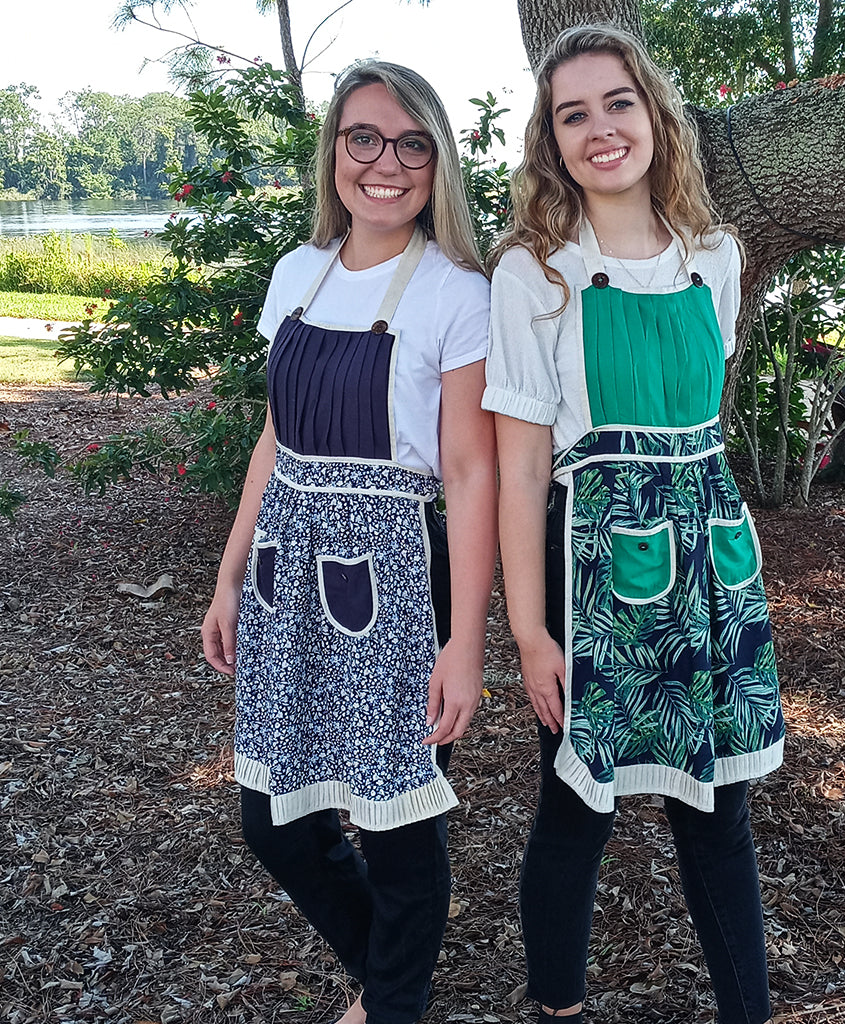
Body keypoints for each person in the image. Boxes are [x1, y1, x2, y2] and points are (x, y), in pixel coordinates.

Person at [484, 25, 784, 1024]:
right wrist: (529, 633)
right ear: (552, 140)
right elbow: (522, 470)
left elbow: (703, 426)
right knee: (578, 807)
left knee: (717, 812)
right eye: (573, 114)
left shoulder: (716, 256)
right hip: (592, 566)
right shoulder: (536, 273)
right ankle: (557, 1009)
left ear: (653, 114)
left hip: (708, 559)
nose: (599, 128)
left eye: (616, 103)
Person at [201, 61, 497, 1024]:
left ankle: (394, 1004)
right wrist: (230, 569)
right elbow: (277, 435)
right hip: (290, 576)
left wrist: (466, 644)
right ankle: (388, 980)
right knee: (276, 816)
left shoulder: (457, 293)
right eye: (363, 137)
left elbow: (469, 474)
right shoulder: (299, 271)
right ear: (333, 148)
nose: (386, 163)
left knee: (401, 825)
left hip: (401, 575)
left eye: (412, 144)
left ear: (437, 163)